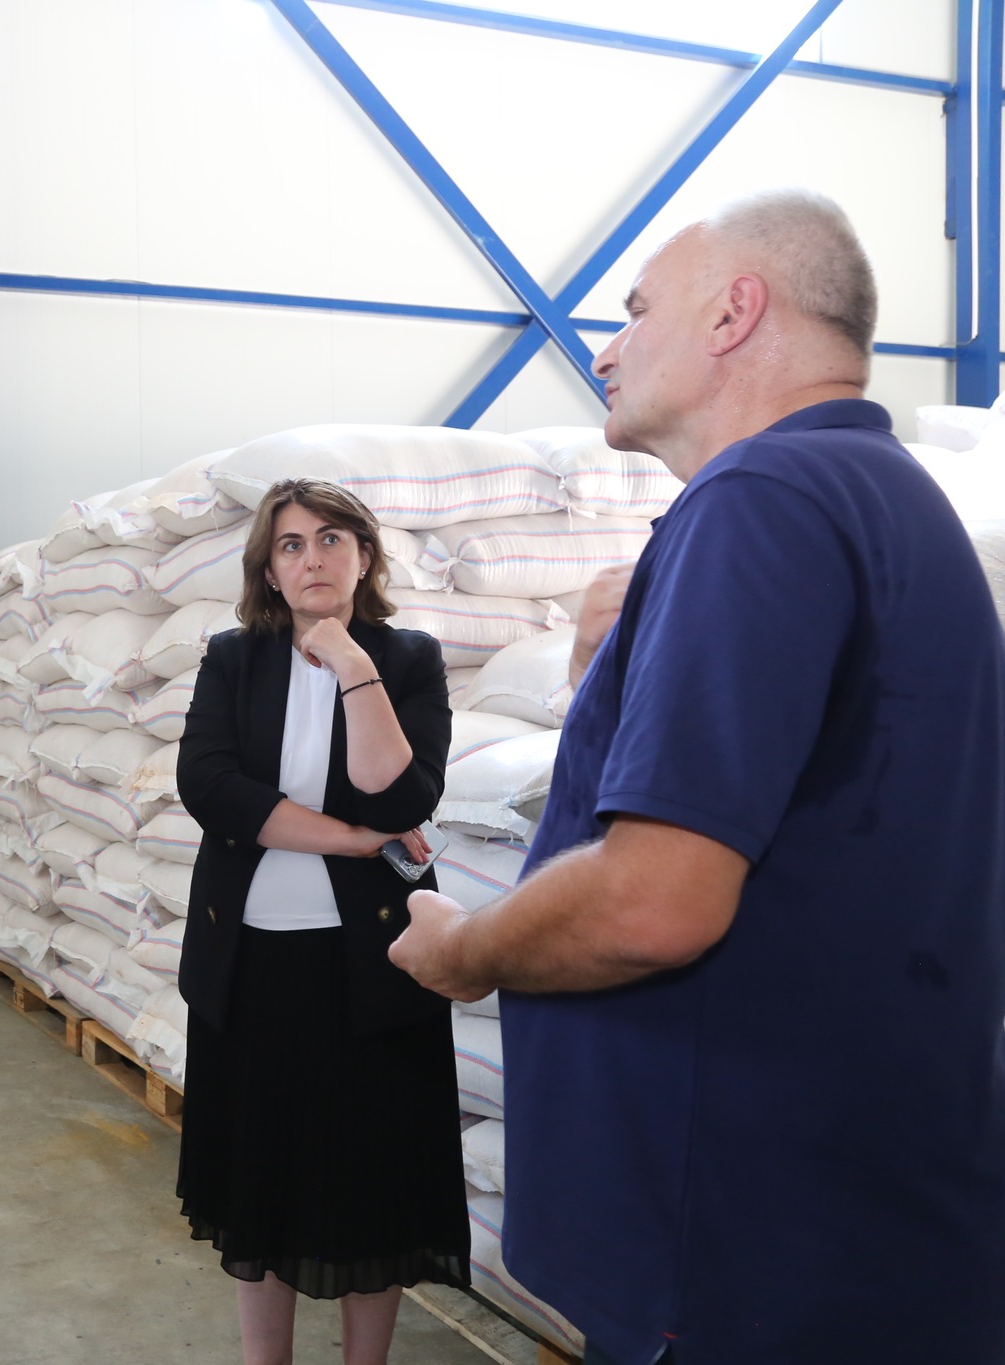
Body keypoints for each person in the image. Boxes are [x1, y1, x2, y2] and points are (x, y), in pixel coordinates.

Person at [389, 189, 1005, 1365]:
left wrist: (462, 952)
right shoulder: (885, 500)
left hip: (737, 1243)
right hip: (854, 1224)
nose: (603, 351)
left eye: (633, 312)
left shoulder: (756, 499)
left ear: (732, 313)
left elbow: (652, 905)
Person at [175, 477, 469, 1365]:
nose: (313, 558)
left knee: (371, 1188)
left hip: (373, 967)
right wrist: (349, 839)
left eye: (333, 539)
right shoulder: (233, 658)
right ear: (268, 567)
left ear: (365, 557)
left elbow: (403, 796)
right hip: (251, 965)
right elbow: (211, 786)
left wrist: (350, 663)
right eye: (293, 543)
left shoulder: (407, 657)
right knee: (259, 1185)